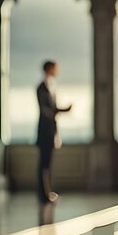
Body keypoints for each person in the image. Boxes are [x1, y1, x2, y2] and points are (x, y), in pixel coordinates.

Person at [37, 61, 72, 204]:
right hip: (45, 131)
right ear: (49, 69)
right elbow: (46, 110)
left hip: (50, 130)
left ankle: (47, 191)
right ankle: (44, 193)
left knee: (47, 163)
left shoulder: (49, 86)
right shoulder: (42, 88)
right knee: (44, 163)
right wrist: (63, 110)